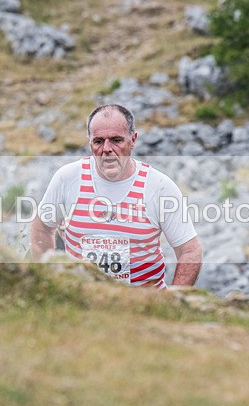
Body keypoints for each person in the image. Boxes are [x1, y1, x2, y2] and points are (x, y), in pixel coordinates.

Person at [30, 104, 203, 288]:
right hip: (82, 305)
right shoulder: (68, 178)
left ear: (133, 139)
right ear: (89, 142)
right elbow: (41, 228)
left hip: (143, 307)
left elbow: (190, 251)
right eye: (98, 141)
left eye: (116, 140)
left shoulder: (159, 187)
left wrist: (174, 302)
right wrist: (49, 283)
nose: (107, 149)